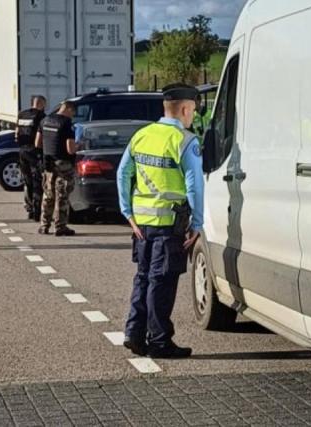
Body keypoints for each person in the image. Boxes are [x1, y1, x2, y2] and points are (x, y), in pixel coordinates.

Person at [116, 83, 204, 359]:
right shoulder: (185, 141)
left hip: (142, 224)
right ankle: (160, 341)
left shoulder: (142, 135)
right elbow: (194, 186)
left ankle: (134, 332)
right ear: (185, 109)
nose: (193, 116)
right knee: (162, 283)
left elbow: (122, 173)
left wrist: (128, 213)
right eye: (193, 111)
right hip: (169, 225)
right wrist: (197, 223)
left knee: (143, 278)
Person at [37, 101, 77, 236]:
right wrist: (79, 146)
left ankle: (44, 225)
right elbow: (70, 149)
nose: (72, 116)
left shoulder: (45, 120)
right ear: (69, 109)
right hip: (63, 164)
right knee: (62, 195)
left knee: (48, 194)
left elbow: (37, 143)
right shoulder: (66, 123)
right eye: (73, 113)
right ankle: (60, 226)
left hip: (48, 164)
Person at [16, 95, 47, 221]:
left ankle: (29, 208)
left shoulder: (22, 115)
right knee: (37, 182)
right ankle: (37, 211)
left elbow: (16, 134)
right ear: (42, 104)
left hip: (22, 151)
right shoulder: (41, 117)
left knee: (27, 181)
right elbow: (41, 138)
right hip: (34, 152)